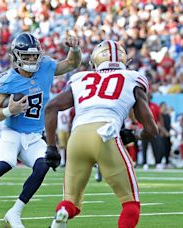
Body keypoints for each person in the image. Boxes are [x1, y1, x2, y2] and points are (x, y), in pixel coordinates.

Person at [0, 32, 81, 227]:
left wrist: (75, 48)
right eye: (26, 56)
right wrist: (9, 110)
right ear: (16, 56)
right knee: (5, 163)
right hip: (12, 133)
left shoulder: (45, 67)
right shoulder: (9, 80)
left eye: (34, 55)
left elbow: (72, 63)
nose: (31, 59)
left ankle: (15, 212)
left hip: (35, 136)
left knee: (43, 165)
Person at [45, 40, 158, 228]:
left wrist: (51, 147)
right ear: (123, 61)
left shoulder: (81, 78)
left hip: (77, 137)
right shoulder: (132, 78)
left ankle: (62, 215)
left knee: (71, 201)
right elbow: (151, 129)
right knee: (130, 205)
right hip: (106, 134)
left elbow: (51, 107)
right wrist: (133, 135)